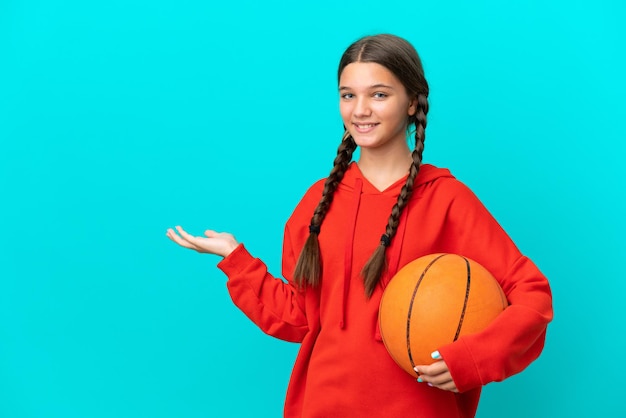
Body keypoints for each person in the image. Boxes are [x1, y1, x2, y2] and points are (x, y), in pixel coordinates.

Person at [166, 33, 553, 418]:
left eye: (379, 94)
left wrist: (472, 358)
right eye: (348, 95)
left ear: (413, 102)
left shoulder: (448, 200)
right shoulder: (317, 202)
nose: (360, 110)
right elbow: (299, 317)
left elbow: (532, 295)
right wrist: (235, 259)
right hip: (321, 404)